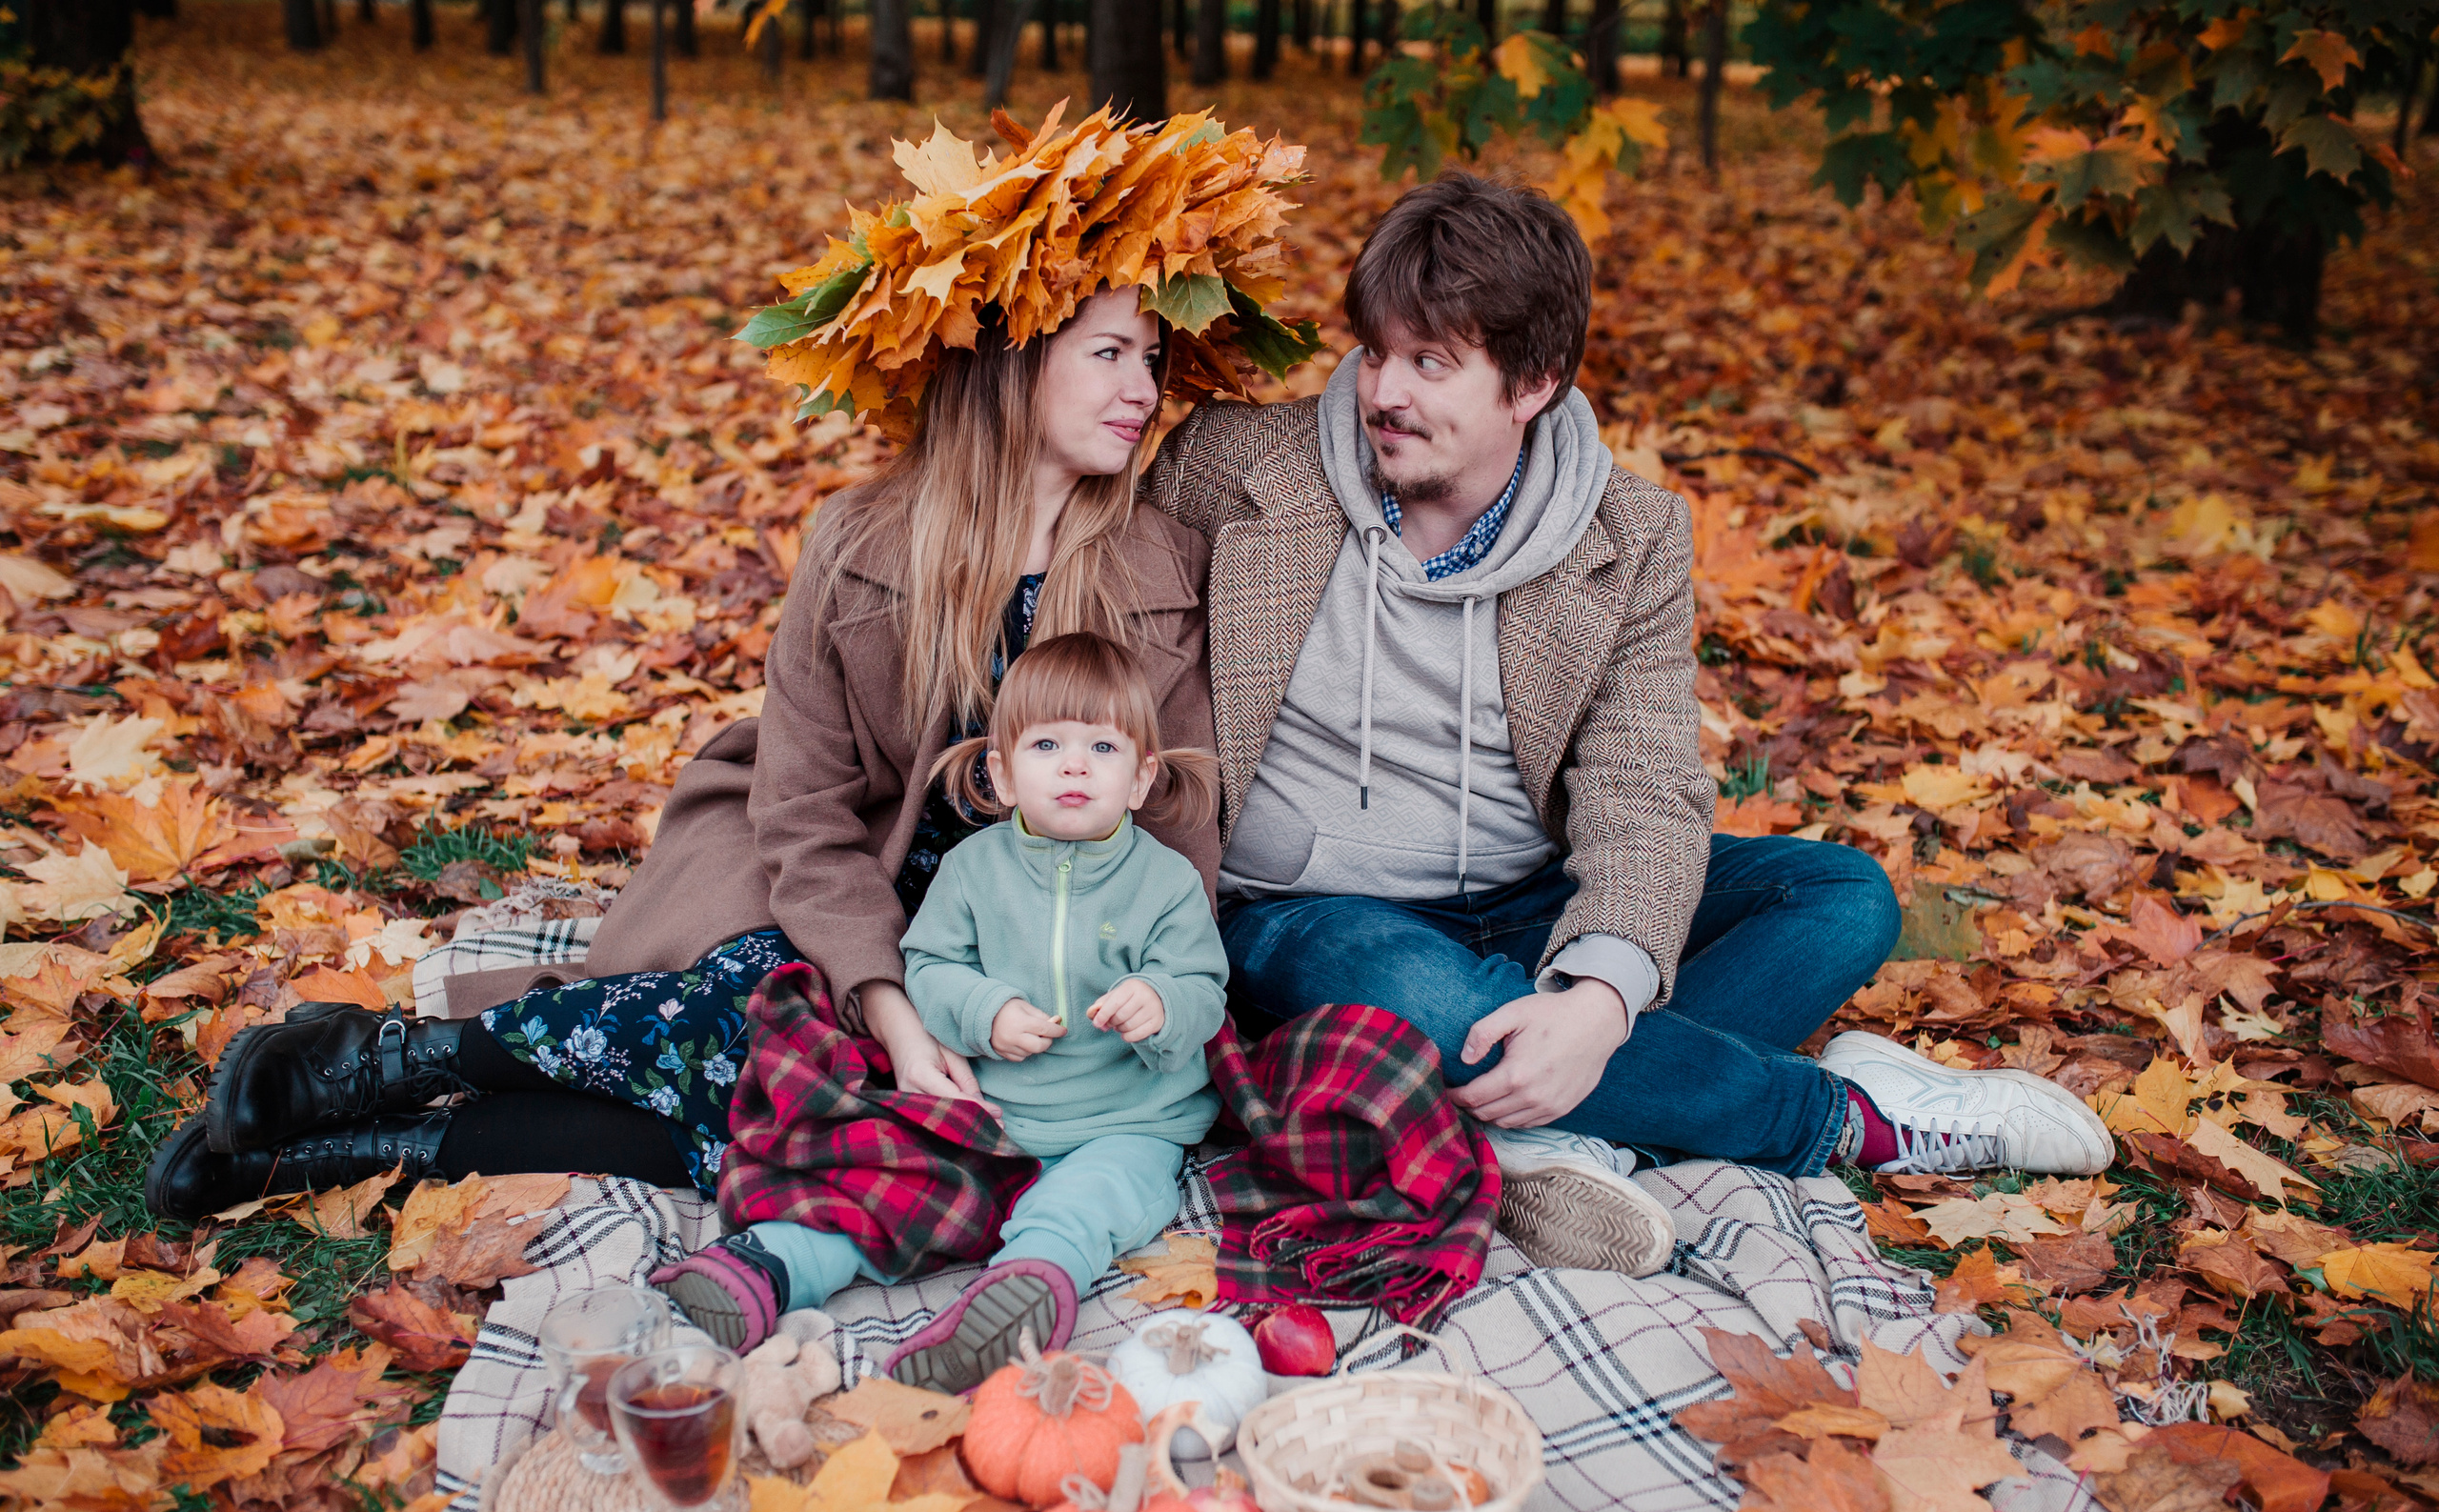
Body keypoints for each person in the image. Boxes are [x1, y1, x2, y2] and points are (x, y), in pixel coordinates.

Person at [1145, 172, 2112, 1279]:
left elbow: (1642, 783)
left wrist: (1601, 998)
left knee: (1840, 898)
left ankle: (1566, 1124)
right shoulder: (1236, 468)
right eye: (1376, 350)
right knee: (1409, 990)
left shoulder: (1628, 533)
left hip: (1527, 898)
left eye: (1432, 363)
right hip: (1308, 916)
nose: (1383, 391)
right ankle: (1843, 1117)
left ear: (1533, 384)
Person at [142, 286, 1221, 1220]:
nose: (1145, 386)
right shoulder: (864, 543)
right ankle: (374, 1066)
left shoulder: (1156, 564)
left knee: (820, 1127)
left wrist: (1108, 993)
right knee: (752, 1030)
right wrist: (889, 1009)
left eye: (1153, 357)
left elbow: (1171, 818)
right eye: (1109, 352)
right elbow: (805, 813)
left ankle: (354, 1155)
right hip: (841, 880)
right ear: (1008, 359)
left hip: (1023, 929)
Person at [649, 633, 1229, 1390]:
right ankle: (775, 1262)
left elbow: (1202, 986)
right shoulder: (972, 871)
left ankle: (1027, 1284)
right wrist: (983, 1011)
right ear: (1003, 773)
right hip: (990, 1116)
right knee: (902, 1193)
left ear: (1142, 777)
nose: (1076, 764)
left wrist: (1160, 1001)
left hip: (1125, 1123)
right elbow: (931, 967)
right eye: (1048, 743)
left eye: (1104, 746)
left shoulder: (1167, 882)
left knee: (1092, 1202)